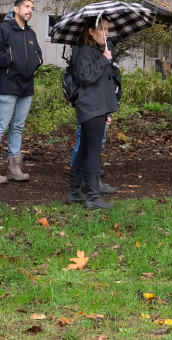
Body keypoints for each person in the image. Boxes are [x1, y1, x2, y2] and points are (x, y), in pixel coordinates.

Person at [67, 17, 120, 209]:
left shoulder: (95, 51)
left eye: (108, 30)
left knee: (84, 149)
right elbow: (84, 76)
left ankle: (75, 193)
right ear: (90, 31)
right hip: (90, 107)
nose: (107, 34)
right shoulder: (85, 51)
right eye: (103, 29)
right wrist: (103, 60)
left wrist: (107, 110)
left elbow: (102, 85)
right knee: (92, 151)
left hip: (97, 107)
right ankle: (93, 197)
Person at [0, 0, 42, 184]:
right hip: (8, 84)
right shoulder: (4, 29)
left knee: (17, 127)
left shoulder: (30, 33)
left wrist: (36, 62)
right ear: (15, 8)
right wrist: (9, 60)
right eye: (26, 7)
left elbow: (38, 55)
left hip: (26, 87)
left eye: (32, 8)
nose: (30, 10)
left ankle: (14, 168)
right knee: (1, 126)